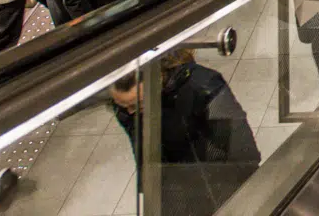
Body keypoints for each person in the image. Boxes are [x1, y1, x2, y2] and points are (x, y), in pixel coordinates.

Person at [109, 49, 261, 216]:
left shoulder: (203, 87)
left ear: (158, 78)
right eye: (124, 106)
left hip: (218, 186)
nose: (131, 112)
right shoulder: (127, 109)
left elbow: (244, 153)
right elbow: (144, 157)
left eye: (138, 103)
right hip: (175, 191)